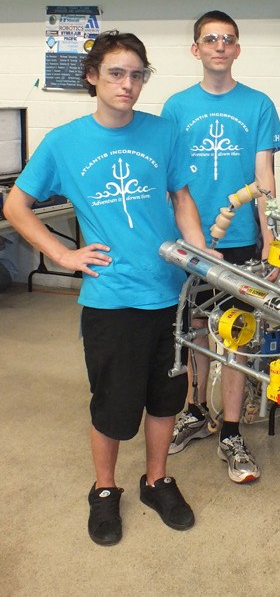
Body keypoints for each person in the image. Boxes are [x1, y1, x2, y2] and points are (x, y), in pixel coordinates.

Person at [4, 31, 207, 546]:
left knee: (166, 399)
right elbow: (15, 206)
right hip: (111, 298)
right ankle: (104, 490)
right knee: (113, 406)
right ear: (92, 76)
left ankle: (157, 481)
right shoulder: (65, 142)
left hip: (171, 293)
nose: (129, 84)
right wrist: (63, 254)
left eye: (138, 74)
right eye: (117, 73)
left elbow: (181, 198)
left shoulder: (164, 132)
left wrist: (200, 253)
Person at [161, 10, 280, 483]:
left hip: (239, 243)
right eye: (209, 39)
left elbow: (264, 180)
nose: (218, 45)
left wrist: (272, 243)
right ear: (196, 50)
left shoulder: (258, 105)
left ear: (237, 49)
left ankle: (231, 429)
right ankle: (196, 410)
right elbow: (172, 182)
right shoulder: (175, 107)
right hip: (192, 241)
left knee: (237, 336)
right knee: (193, 330)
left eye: (227, 39)